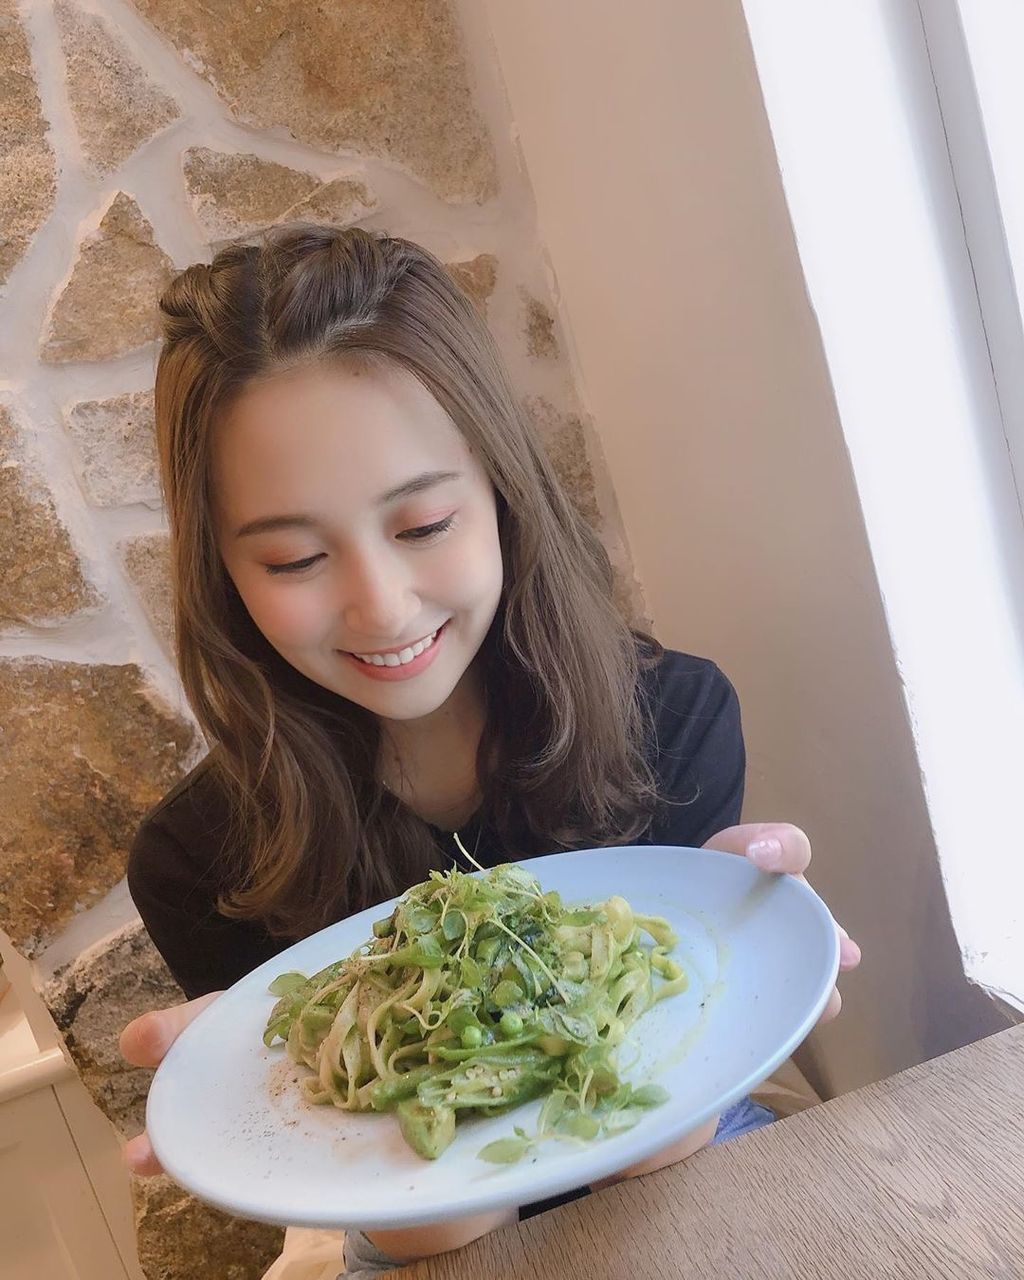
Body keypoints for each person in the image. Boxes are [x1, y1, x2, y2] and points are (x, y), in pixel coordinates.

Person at [118, 224, 861, 1277]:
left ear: (503, 493)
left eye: (423, 524)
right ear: (223, 575)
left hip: (678, 1163)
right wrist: (265, 1085)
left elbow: (660, 1132)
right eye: (293, 557)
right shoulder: (197, 858)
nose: (382, 605)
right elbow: (399, 1203)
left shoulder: (672, 716)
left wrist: (731, 979)